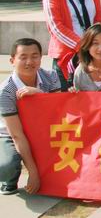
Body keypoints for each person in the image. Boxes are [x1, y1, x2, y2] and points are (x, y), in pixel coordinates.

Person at [0, 39, 60, 195]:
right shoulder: (6, 91)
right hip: (10, 135)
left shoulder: (51, 76)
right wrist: (33, 173)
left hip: (42, 131)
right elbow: (17, 135)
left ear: (41, 57)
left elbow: (58, 110)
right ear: (12, 60)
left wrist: (39, 95)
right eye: (23, 57)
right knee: (5, 167)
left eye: (34, 56)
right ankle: (9, 180)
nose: (29, 62)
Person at [43, 0, 101, 89]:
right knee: (67, 98)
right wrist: (83, 46)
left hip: (93, 55)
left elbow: (99, 21)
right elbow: (56, 28)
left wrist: (97, 46)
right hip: (67, 57)